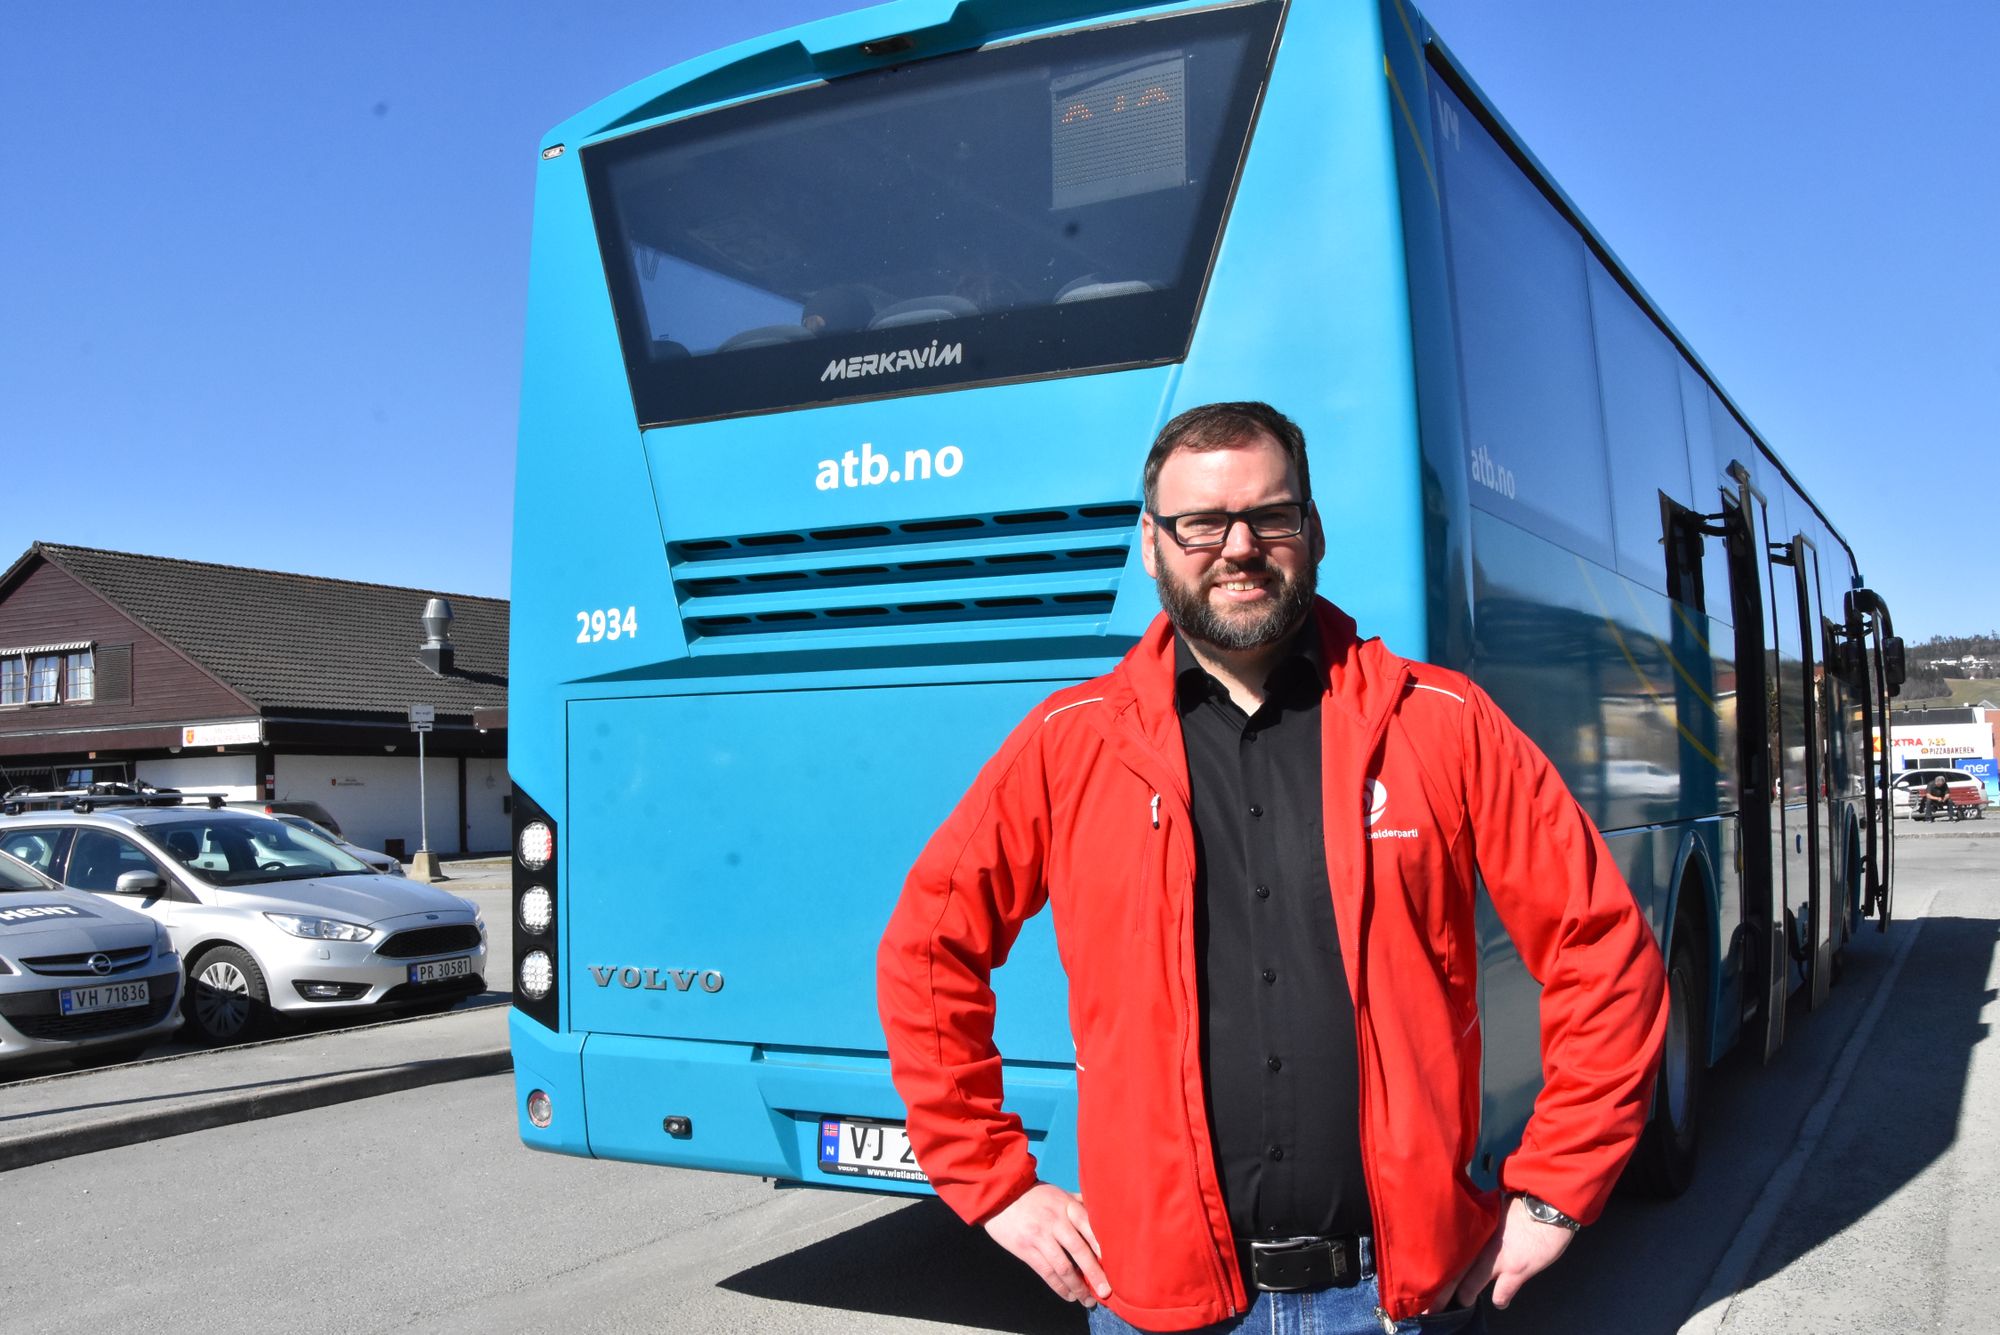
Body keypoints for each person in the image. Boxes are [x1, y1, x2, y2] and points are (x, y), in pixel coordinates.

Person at [877, 402, 1669, 1333]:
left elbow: (1603, 948)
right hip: (1158, 1304)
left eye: (1271, 515)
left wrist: (1555, 1192)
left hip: (1392, 1302)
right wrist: (993, 1184)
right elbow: (929, 953)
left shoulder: (1442, 724)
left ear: (1315, 529)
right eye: (1201, 523)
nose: (1238, 545)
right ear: (1152, 544)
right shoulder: (1069, 744)